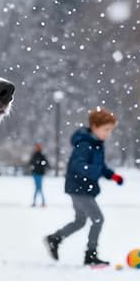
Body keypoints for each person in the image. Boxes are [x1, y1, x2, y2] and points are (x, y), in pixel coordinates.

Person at [44, 108, 124, 266]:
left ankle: (55, 238)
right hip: (80, 189)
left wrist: (112, 175)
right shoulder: (85, 145)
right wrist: (95, 173)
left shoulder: (97, 144)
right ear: (94, 126)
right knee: (98, 219)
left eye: (110, 130)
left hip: (83, 189)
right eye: (106, 129)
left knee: (80, 221)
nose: (108, 133)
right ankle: (91, 255)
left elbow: (99, 166)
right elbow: (78, 166)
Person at [28, 142, 48, 207]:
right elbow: (30, 163)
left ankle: (39, 202)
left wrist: (40, 165)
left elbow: (46, 164)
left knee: (38, 188)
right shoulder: (34, 155)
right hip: (35, 174)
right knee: (38, 188)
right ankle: (40, 202)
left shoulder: (41, 155)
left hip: (39, 174)